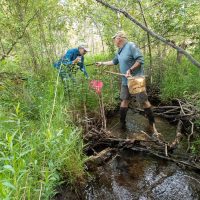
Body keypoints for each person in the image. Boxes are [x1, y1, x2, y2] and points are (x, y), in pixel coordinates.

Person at [96, 31, 160, 137]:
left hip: (136, 80)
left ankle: (151, 124)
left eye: (114, 38)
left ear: (120, 38)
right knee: (124, 100)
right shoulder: (119, 51)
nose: (114, 40)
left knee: (144, 101)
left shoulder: (131, 46)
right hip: (125, 82)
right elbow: (114, 61)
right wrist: (102, 63)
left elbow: (140, 60)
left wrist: (130, 69)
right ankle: (122, 125)